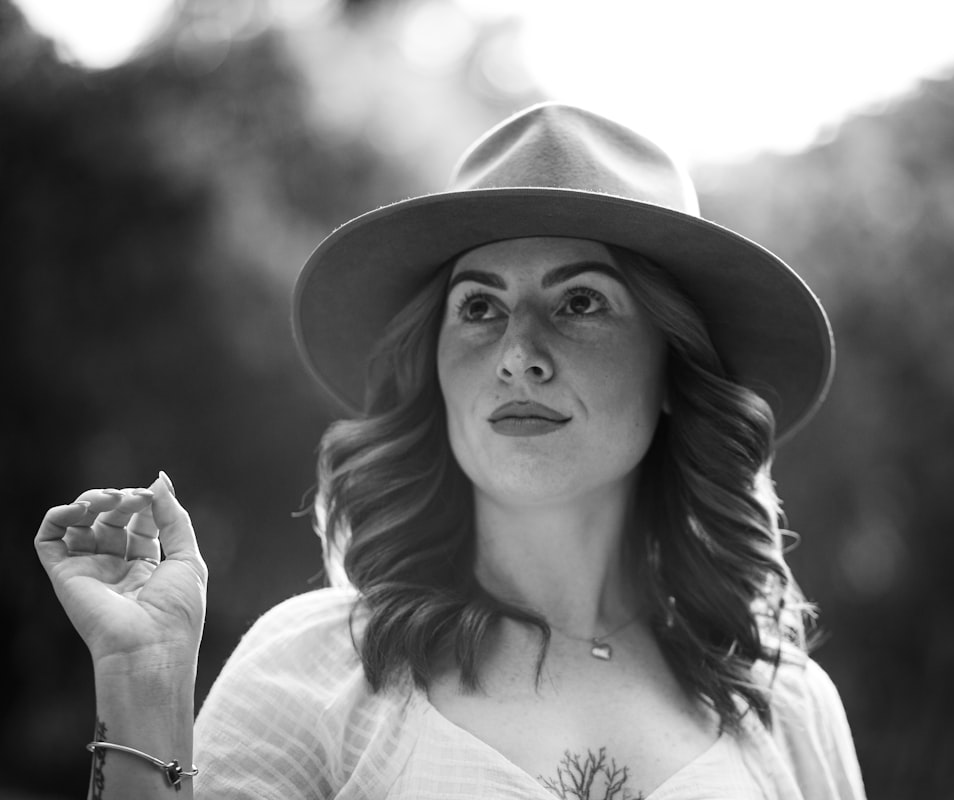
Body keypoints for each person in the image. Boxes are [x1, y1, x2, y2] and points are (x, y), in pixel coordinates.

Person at [36, 102, 865, 799]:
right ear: (434, 366)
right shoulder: (315, 671)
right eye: (478, 308)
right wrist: (144, 682)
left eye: (581, 301)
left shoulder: (788, 708)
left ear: (674, 368)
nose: (517, 353)